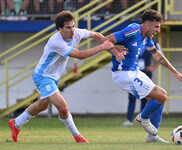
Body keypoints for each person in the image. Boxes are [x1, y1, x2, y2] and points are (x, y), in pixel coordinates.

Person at [8, 10, 127, 143]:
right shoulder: (56, 42)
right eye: (68, 27)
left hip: (54, 77)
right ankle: (77, 136)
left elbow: (97, 35)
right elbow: (80, 55)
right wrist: (102, 48)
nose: (72, 30)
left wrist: (115, 52)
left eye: (73, 26)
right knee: (63, 108)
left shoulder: (77, 32)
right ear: (60, 29)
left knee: (42, 105)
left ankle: (16, 123)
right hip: (43, 76)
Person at [105, 9, 182, 143]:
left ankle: (152, 137)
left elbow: (157, 54)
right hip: (123, 74)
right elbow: (106, 40)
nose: (158, 30)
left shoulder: (147, 38)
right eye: (156, 27)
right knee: (162, 94)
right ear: (147, 25)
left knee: (159, 100)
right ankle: (143, 118)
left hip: (135, 71)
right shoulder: (132, 30)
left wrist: (175, 71)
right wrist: (115, 52)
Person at [122, 41, 161, 127]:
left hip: (145, 74)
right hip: (133, 73)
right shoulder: (133, 40)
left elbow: (161, 56)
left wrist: (153, 67)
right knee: (132, 97)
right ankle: (129, 120)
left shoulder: (153, 42)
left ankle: (143, 119)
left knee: (145, 97)